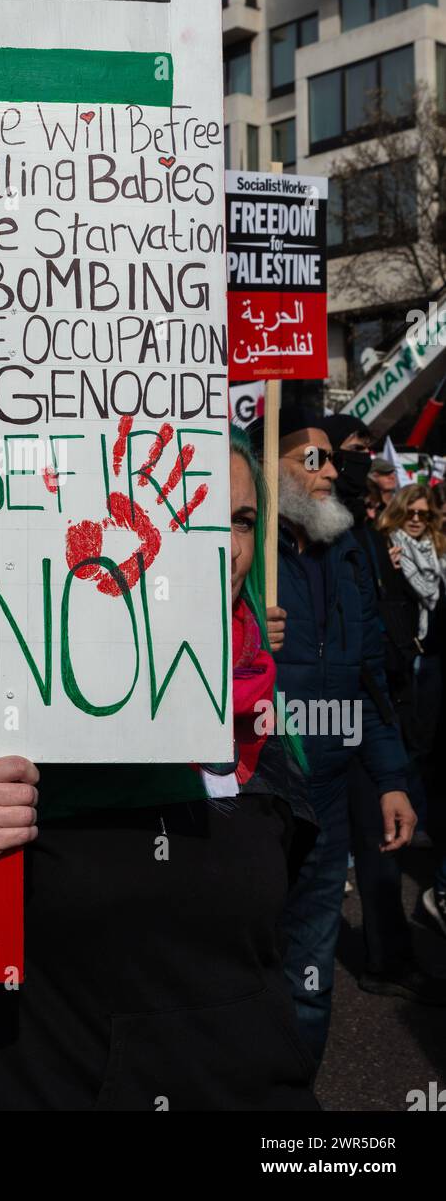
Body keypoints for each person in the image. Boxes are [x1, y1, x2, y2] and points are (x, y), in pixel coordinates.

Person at [0, 430, 320, 1111]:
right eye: (187, 515)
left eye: (241, 520)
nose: (225, 545)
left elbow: (283, 952)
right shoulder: (2, 703)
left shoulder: (258, 715)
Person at [249, 407, 415, 1069]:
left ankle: (292, 1091)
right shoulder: (239, 550)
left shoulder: (348, 550)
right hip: (254, 796)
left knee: (309, 966)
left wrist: (392, 778)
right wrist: (237, 630)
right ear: (270, 470)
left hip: (328, 801)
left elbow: (369, 678)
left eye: (328, 459)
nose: (324, 473)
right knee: (244, 961)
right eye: (306, 459)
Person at [322, 415, 445, 1005]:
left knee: (380, 848)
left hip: (374, 707)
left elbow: (376, 623)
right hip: (314, 716)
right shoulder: (310, 529)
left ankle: (387, 958)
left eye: (366, 451)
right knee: (313, 863)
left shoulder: (366, 534)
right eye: (351, 450)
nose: (357, 461)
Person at [378, 483, 446, 847]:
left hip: (431, 658)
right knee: (406, 738)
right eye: (411, 512)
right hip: (403, 658)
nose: (417, 519)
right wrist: (389, 569)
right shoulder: (389, 547)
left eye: (424, 514)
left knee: (426, 739)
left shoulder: (436, 553)